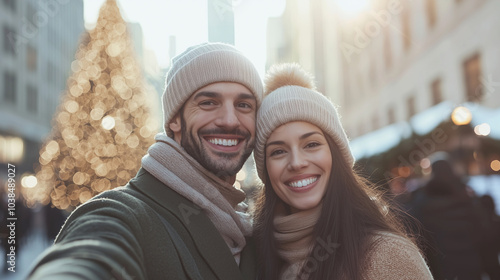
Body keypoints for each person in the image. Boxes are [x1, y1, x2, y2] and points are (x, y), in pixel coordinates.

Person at [29, 42, 263, 280]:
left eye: (243, 105)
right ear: (174, 120)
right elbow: (88, 255)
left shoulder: (255, 230)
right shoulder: (123, 213)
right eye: (208, 102)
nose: (229, 120)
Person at [252, 63, 433, 280]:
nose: (297, 163)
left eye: (311, 145)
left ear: (336, 155)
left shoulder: (386, 254)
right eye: (278, 151)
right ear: (265, 170)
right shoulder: (255, 256)